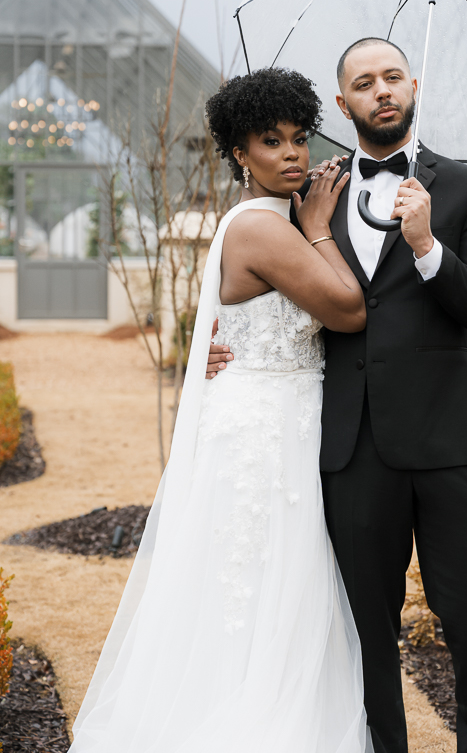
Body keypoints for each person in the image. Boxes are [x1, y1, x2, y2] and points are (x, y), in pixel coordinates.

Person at [208, 38, 467, 753]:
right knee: (361, 637)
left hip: (453, 448)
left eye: (391, 77)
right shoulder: (310, 193)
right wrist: (215, 352)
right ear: (342, 104)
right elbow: (254, 291)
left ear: (412, 86)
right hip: (347, 448)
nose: (380, 90)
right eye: (362, 83)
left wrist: (428, 247)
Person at [69, 68, 373, 753]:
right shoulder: (265, 230)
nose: (293, 154)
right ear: (239, 152)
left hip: (275, 414)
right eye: (271, 141)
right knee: (258, 580)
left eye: (299, 138)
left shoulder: (269, 219)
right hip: (264, 428)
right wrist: (321, 227)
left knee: (265, 582)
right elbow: (349, 312)